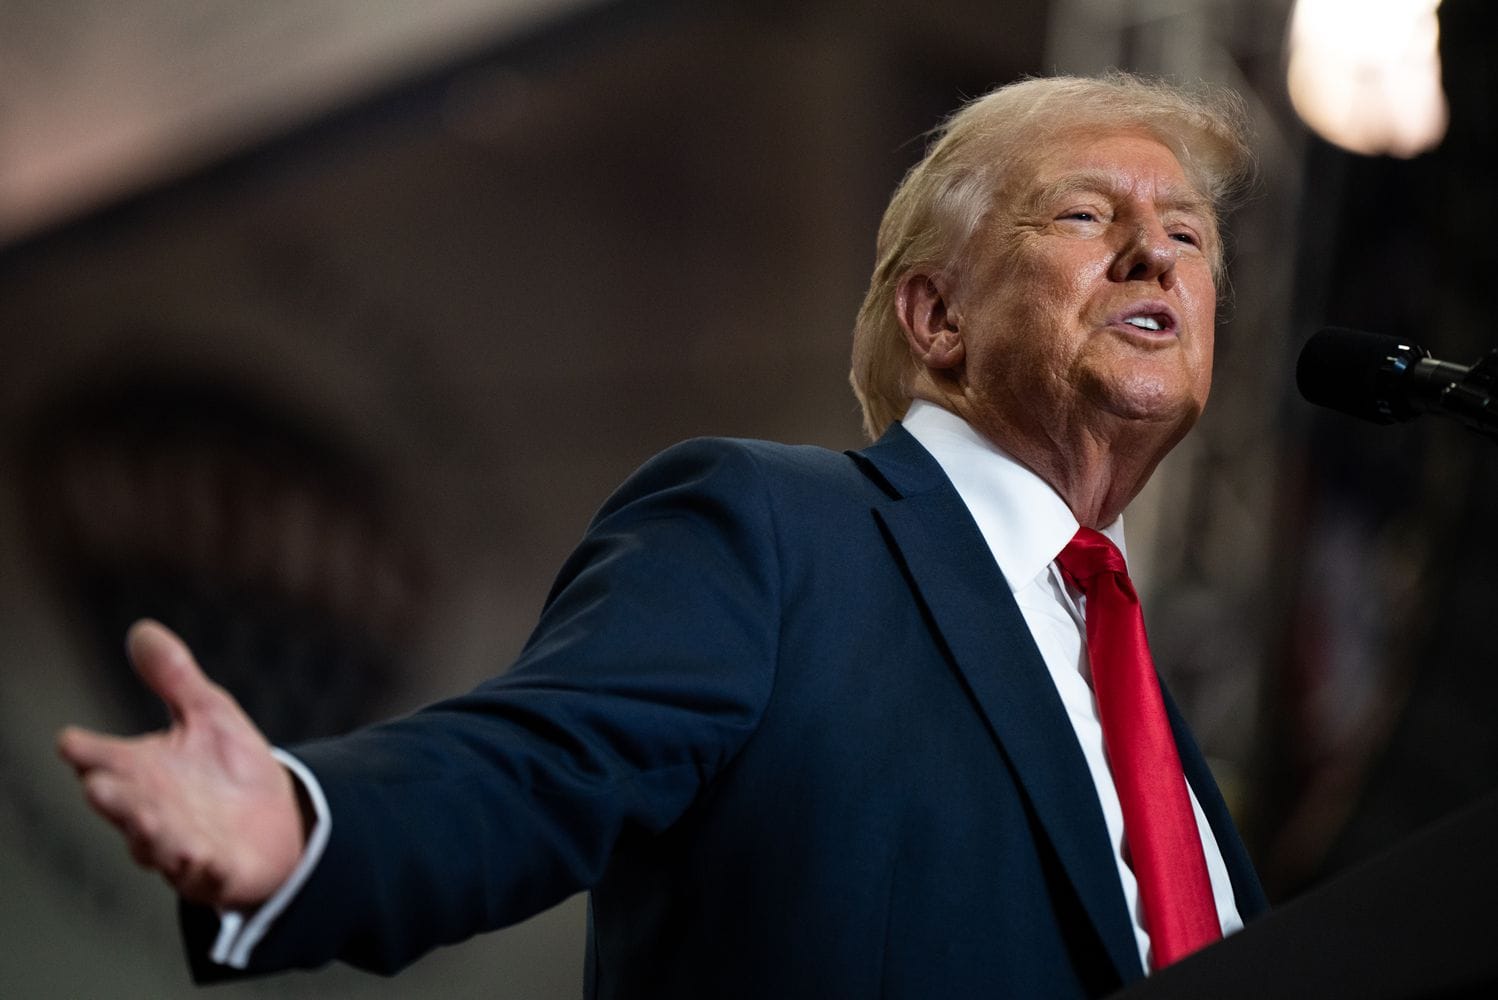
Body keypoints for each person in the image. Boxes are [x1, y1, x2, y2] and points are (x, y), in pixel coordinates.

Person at [58, 72, 1266, 998]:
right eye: (1084, 212)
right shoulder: (780, 532)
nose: (1154, 250)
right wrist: (305, 824)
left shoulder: (1137, 693)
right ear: (937, 314)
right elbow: (542, 758)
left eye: (1190, 237)